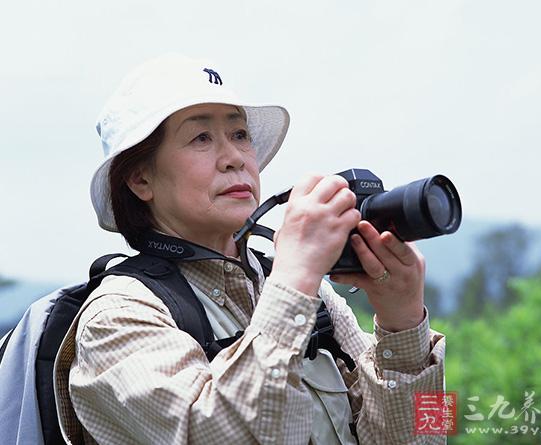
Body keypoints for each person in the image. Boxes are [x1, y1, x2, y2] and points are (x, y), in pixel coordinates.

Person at [53, 54, 446, 445]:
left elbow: (431, 433)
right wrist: (296, 277)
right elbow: (221, 434)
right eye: (201, 138)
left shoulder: (310, 296)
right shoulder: (116, 319)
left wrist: (403, 322)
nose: (235, 158)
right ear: (140, 179)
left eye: (240, 135)